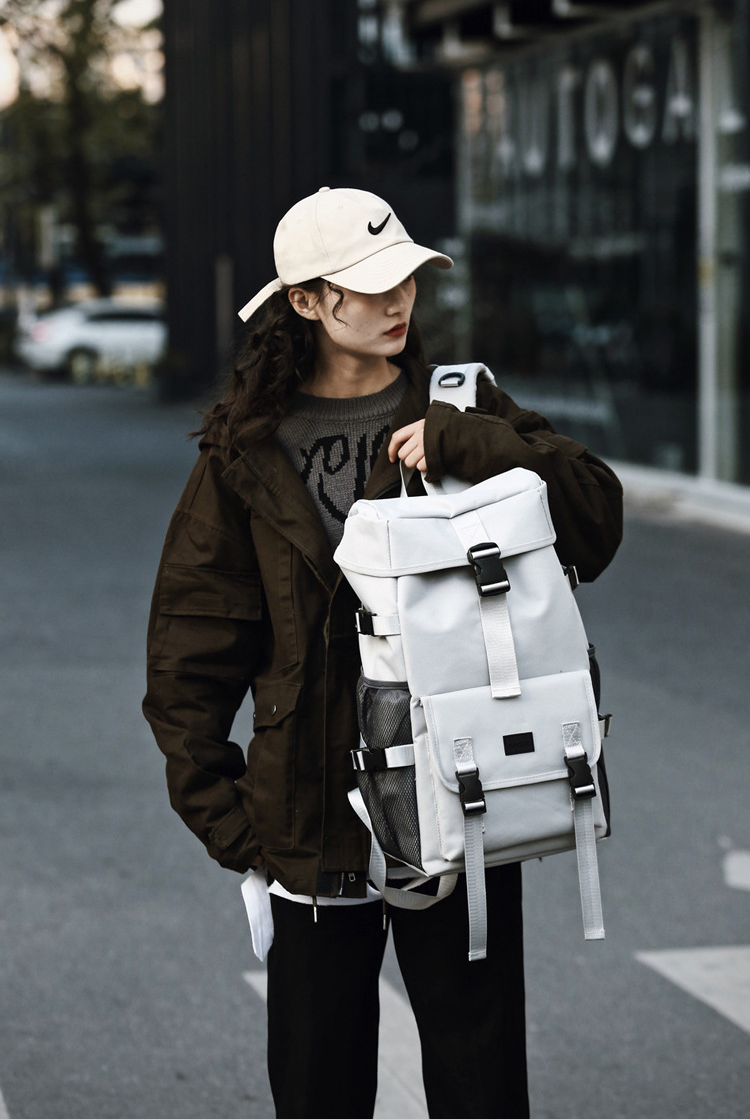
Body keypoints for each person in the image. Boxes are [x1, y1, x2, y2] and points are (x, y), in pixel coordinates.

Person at [143, 186, 623, 1119]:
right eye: (370, 285)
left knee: (481, 1087)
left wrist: (477, 445)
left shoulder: (461, 405)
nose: (399, 298)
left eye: (406, 276)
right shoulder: (246, 450)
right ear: (307, 301)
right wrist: (230, 821)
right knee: (318, 1089)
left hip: (458, 796)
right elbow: (189, 648)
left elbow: (595, 521)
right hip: (308, 818)